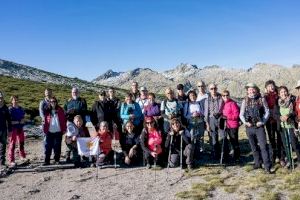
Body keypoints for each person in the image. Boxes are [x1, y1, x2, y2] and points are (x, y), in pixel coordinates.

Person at [239, 83, 272, 173]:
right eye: (250, 89)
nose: (251, 91)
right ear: (247, 91)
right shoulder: (244, 100)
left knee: (263, 146)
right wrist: (245, 122)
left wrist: (263, 121)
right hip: (249, 127)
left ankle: (267, 166)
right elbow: (241, 114)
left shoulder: (261, 99)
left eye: (253, 89)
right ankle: (257, 163)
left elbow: (267, 111)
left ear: (256, 90)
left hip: (259, 127)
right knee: (253, 147)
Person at [278, 86, 300, 167]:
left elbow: (295, 112)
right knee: (286, 145)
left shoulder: (292, 100)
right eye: (281, 92)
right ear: (279, 94)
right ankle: (290, 162)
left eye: (284, 91)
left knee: (294, 144)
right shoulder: (279, 102)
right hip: (283, 126)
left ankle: (299, 159)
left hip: (291, 125)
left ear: (287, 92)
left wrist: (288, 115)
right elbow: (276, 113)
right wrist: (280, 117)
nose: (283, 93)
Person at [264, 80, 284, 165]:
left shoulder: (278, 95)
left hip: (278, 119)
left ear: (274, 86)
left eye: (272, 86)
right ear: (266, 88)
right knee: (271, 139)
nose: (271, 87)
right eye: (269, 86)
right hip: (269, 121)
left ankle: (281, 157)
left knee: (280, 138)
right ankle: (273, 157)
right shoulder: (265, 97)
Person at [43, 96, 67, 165]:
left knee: (57, 147)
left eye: (54, 101)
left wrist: (64, 129)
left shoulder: (60, 110)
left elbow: (63, 120)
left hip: (58, 131)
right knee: (48, 146)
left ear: (56, 102)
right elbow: (44, 121)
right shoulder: (47, 110)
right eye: (51, 102)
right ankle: (47, 161)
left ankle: (57, 160)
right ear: (49, 103)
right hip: (49, 131)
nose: (52, 103)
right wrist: (45, 130)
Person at [204, 83, 224, 160]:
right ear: (209, 90)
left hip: (220, 118)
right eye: (211, 89)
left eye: (215, 88)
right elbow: (206, 112)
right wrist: (207, 123)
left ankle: (224, 153)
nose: (213, 90)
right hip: (211, 119)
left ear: (217, 88)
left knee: (223, 136)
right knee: (213, 137)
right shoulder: (207, 100)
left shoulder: (221, 98)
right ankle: (215, 154)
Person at [183, 90, 205, 159]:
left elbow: (203, 112)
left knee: (200, 137)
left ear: (196, 96)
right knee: (192, 137)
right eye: (190, 96)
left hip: (200, 122)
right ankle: (192, 153)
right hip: (191, 123)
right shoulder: (187, 104)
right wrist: (192, 115)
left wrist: (199, 114)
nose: (192, 97)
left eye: (193, 95)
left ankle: (199, 152)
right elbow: (185, 115)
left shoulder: (199, 103)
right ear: (188, 97)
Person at [220, 90, 240, 161]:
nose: (225, 96)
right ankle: (232, 155)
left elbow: (236, 115)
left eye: (227, 95)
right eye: (224, 95)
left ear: (229, 95)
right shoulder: (223, 104)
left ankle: (237, 157)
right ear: (222, 96)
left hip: (233, 125)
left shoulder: (233, 103)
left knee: (234, 141)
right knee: (229, 140)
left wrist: (227, 117)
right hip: (226, 125)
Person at [8, 95, 27, 167]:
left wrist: (22, 121)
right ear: (11, 101)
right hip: (13, 129)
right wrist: (15, 122)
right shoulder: (10, 109)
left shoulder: (21, 109)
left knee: (21, 143)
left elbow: (23, 118)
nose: (15, 101)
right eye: (14, 100)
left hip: (20, 128)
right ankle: (11, 160)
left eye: (16, 100)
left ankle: (22, 156)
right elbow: (9, 121)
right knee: (12, 144)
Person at [0, 91, 12, 170]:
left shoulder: (5, 108)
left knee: (3, 146)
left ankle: (2, 162)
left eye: (1, 98)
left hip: (3, 129)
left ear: (3, 98)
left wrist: (10, 130)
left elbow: (9, 120)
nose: (0, 99)